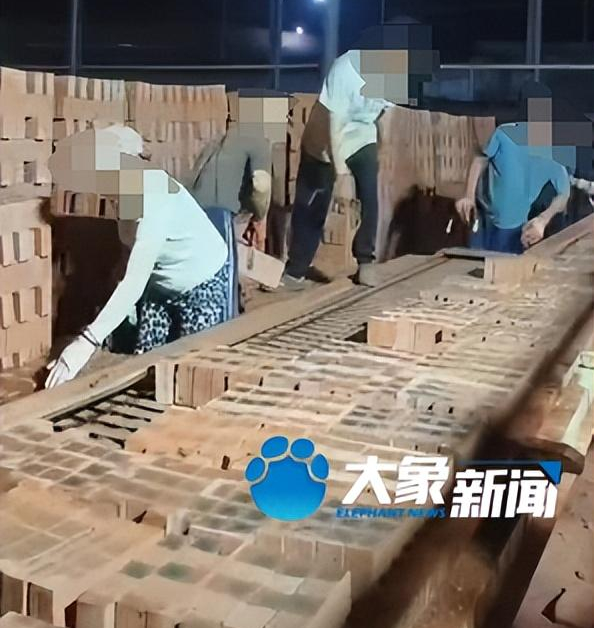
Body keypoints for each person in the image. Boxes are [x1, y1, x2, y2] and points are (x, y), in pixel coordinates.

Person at [45, 125, 231, 388]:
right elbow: (130, 247)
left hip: (201, 280)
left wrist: (86, 342)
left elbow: (135, 279)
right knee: (148, 369)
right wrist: (118, 290)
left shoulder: (154, 195)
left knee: (193, 373)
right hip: (160, 285)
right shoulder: (124, 193)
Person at [282, 21, 437, 288]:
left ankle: (365, 261)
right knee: (313, 206)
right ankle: (295, 269)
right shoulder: (346, 70)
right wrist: (341, 173)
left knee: (370, 197)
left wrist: (380, 145)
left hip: (361, 135)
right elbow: (334, 125)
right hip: (324, 142)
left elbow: (383, 114)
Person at [186, 118, 272, 311]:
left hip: (194, 207)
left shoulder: (217, 140)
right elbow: (261, 184)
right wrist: (260, 217)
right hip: (223, 209)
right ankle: (229, 309)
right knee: (227, 262)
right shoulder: (259, 142)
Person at [456, 122, 570, 253]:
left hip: (516, 229)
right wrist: (468, 196)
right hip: (483, 217)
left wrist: (542, 220)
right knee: (473, 259)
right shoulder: (505, 133)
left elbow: (563, 194)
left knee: (503, 262)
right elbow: (480, 158)